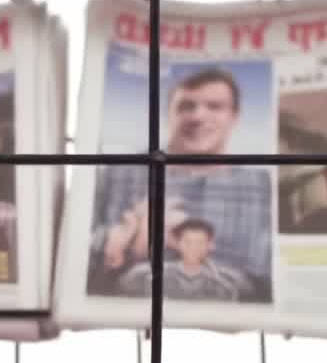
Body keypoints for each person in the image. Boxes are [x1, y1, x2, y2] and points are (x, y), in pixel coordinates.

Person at [89, 67, 273, 301]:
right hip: (131, 320)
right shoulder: (117, 174)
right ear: (169, 113)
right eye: (186, 106)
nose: (198, 116)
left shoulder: (262, 187)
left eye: (214, 106)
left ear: (234, 116)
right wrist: (121, 240)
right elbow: (72, 256)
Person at [117, 218, 254, 302]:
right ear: (177, 244)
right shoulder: (144, 275)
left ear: (211, 245)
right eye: (187, 242)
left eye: (200, 242)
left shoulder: (230, 280)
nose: (193, 248)